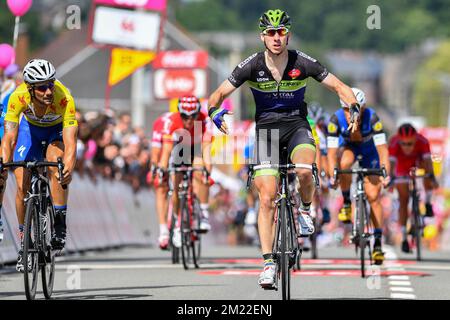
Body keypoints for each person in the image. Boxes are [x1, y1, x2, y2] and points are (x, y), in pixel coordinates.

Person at [207, 9, 362, 289]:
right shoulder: (251, 65)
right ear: (262, 36)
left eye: (281, 32)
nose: (276, 37)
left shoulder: (302, 62)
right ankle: (268, 263)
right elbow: (217, 95)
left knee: (304, 171)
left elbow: (339, 86)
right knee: (266, 197)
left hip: (297, 126)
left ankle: (304, 210)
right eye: (271, 33)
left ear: (287, 34)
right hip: (266, 131)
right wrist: (214, 112)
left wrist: (353, 107)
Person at [0, 59, 78, 272]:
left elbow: (71, 142)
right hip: (30, 133)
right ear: (30, 88)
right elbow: (9, 137)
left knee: (58, 164)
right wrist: (3, 162)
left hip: (55, 133)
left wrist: (69, 165)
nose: (48, 91)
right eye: (42, 87)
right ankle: (25, 240)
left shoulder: (64, 98)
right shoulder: (17, 97)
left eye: (50, 84)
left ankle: (60, 223)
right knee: (21, 184)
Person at [327, 87, 390, 265]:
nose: (351, 113)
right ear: (343, 108)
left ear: (362, 108)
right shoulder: (335, 120)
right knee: (344, 164)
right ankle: (347, 202)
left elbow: (383, 150)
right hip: (350, 150)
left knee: (373, 196)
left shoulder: (373, 118)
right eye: (347, 109)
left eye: (355, 109)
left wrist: (386, 173)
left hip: (371, 154)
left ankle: (377, 244)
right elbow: (332, 154)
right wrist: (333, 176)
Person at [158, 96, 213, 248]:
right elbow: (167, 150)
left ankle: (203, 212)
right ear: (179, 114)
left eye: (193, 116)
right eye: (184, 116)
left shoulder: (204, 120)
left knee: (201, 170)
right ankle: (177, 226)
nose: (189, 120)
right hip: (178, 147)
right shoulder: (173, 122)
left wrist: (207, 170)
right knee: (175, 186)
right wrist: (163, 167)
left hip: (196, 146)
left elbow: (206, 148)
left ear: (198, 114)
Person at [388, 123, 438, 253]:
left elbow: (428, 163)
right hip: (401, 166)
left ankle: (427, 203)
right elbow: (391, 164)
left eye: (410, 144)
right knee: (403, 200)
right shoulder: (394, 143)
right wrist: (390, 180)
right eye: (403, 144)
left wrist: (431, 178)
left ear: (415, 139)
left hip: (417, 163)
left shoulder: (423, 141)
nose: (406, 147)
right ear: (399, 140)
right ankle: (404, 237)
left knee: (427, 174)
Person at [149, 111, 173, 249]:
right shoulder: (160, 124)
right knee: (161, 188)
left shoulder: (181, 124)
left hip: (182, 149)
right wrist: (155, 166)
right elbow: (155, 151)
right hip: (164, 153)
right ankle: (163, 230)